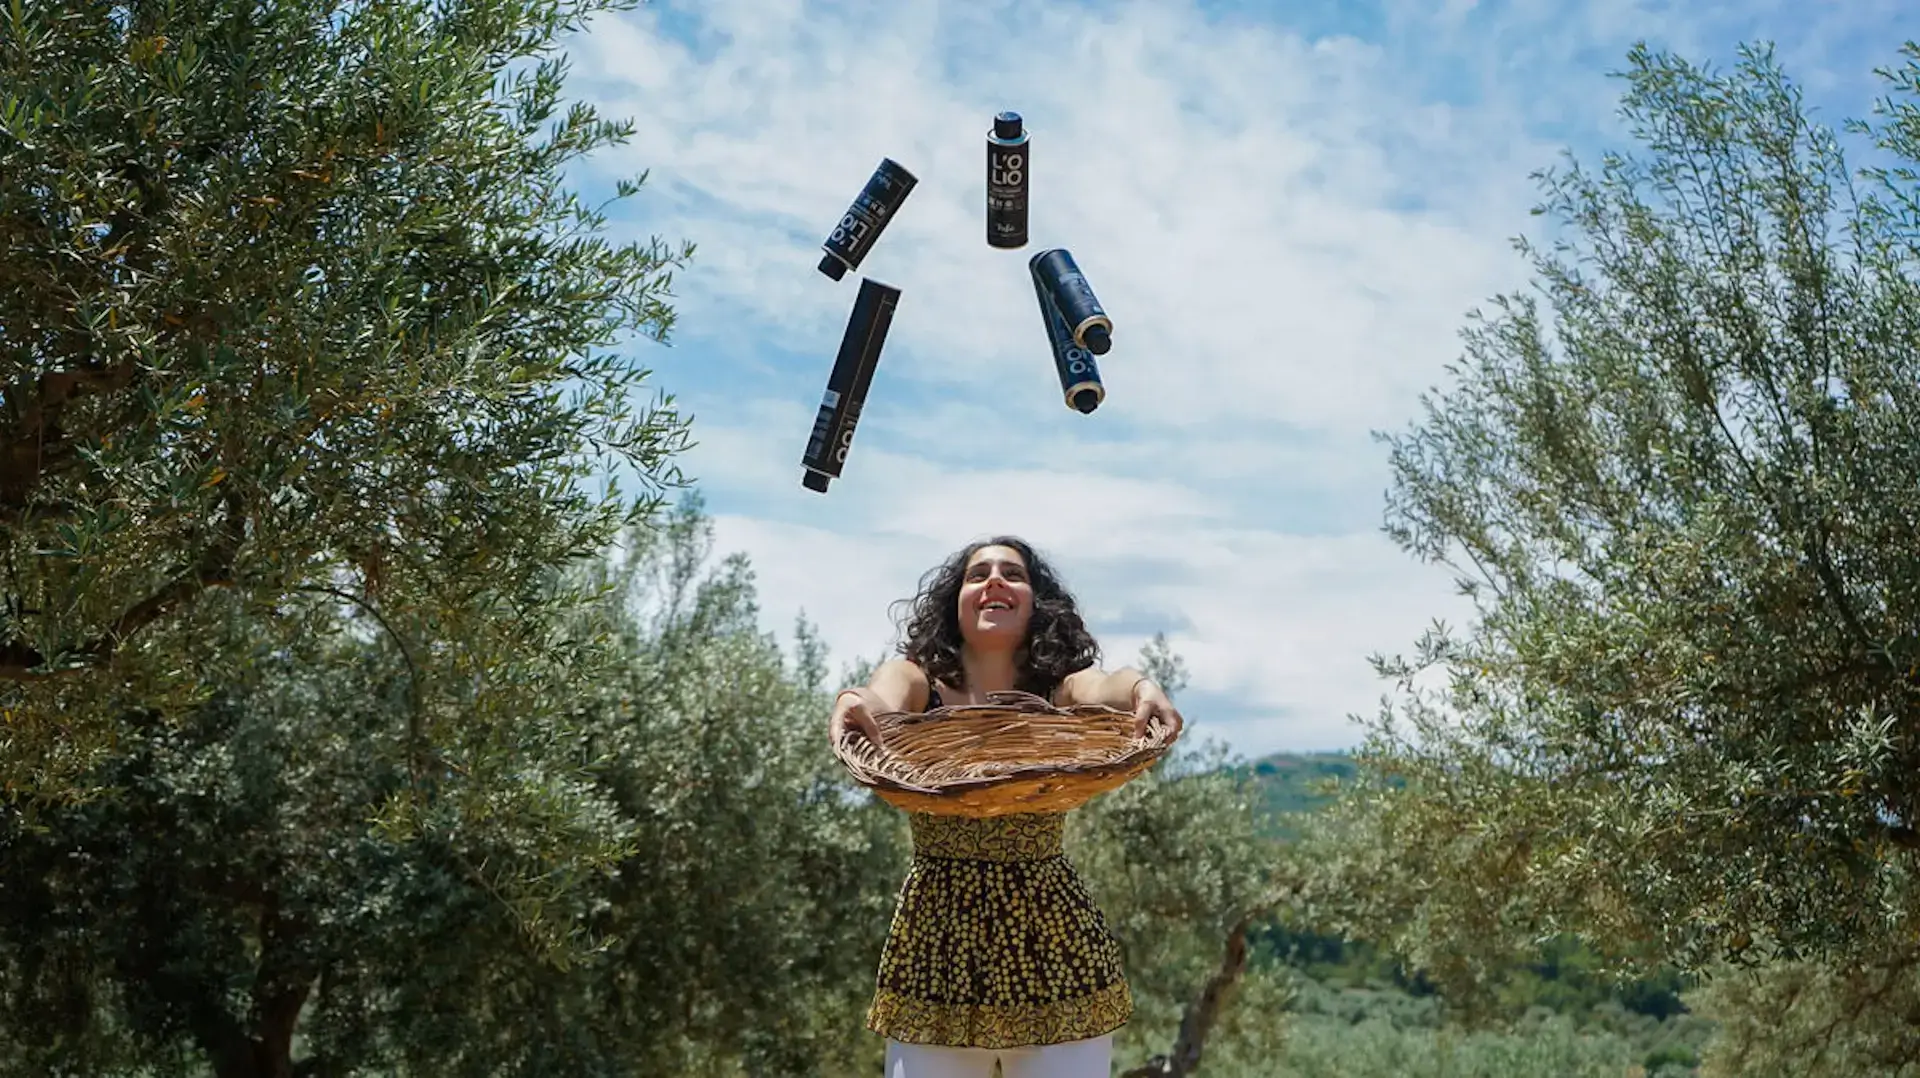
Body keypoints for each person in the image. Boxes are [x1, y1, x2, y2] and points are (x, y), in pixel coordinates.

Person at [830, 536, 1186, 1078]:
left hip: (1057, 956)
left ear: (1035, 602)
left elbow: (1105, 687)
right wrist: (854, 702)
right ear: (957, 600)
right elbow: (881, 696)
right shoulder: (917, 678)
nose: (994, 581)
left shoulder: (1058, 688)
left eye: (1011, 574)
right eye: (978, 574)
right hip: (936, 953)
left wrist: (1141, 686)